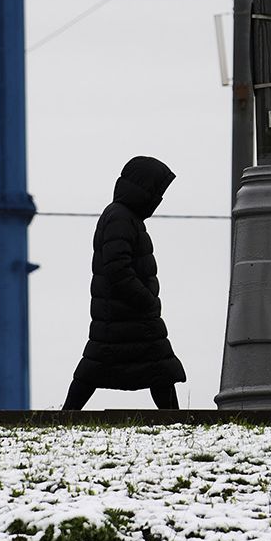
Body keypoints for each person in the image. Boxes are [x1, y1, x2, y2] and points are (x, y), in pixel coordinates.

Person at [65, 155, 186, 410]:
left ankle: (66, 415)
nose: (158, 199)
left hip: (122, 315)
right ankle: (174, 419)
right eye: (156, 190)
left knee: (146, 365)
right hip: (127, 314)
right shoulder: (121, 218)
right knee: (155, 363)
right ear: (144, 189)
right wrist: (146, 300)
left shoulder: (125, 217)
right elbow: (117, 268)